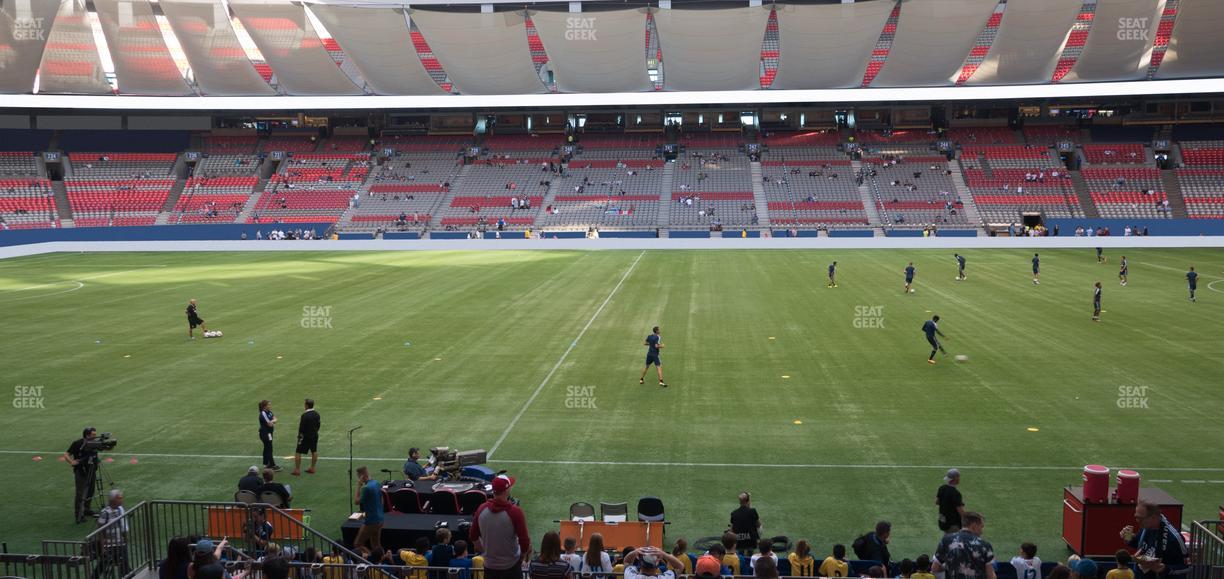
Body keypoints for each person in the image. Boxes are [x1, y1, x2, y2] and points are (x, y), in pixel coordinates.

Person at [470, 475, 531, 579]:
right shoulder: (515, 512)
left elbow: (473, 536)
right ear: (507, 490)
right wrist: (521, 558)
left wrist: (484, 552)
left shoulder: (481, 509)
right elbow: (524, 541)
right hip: (511, 567)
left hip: (490, 567)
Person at [1120, 500, 1188, 579]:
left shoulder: (1173, 538)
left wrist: (1165, 569)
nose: (1137, 521)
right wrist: (1129, 539)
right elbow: (1143, 546)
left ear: (1153, 518)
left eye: (1140, 518)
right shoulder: (1146, 526)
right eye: (1136, 517)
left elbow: (1186, 567)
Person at [932, 512, 996, 579]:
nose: (981, 531)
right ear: (974, 526)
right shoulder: (985, 545)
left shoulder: (946, 540)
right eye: (981, 527)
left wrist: (950, 565)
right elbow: (991, 576)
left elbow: (935, 568)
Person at [64, 427, 100, 523]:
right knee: (80, 494)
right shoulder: (77, 443)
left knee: (90, 491)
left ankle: (86, 509)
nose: (95, 436)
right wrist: (71, 462)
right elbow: (66, 454)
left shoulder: (94, 443)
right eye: (93, 435)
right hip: (81, 471)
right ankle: (79, 515)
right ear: (87, 435)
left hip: (91, 471)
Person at [96, 488, 131, 578]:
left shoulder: (121, 509)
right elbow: (100, 530)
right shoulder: (105, 513)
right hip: (109, 546)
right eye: (119, 498)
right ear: (113, 500)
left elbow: (123, 526)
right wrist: (102, 547)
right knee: (102, 566)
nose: (121, 499)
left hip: (120, 543)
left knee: (124, 565)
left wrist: (125, 539)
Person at [353, 466, 385, 551]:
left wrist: (359, 485)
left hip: (371, 521)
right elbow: (382, 500)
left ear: (362, 476)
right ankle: (380, 559)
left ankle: (370, 559)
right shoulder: (377, 483)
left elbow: (356, 501)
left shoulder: (366, 488)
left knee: (357, 544)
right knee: (376, 545)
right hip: (380, 519)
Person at [292, 399, 320, 476]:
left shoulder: (304, 415)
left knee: (298, 451)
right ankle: (312, 468)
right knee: (314, 451)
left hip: (305, 436)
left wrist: (300, 436)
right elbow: (318, 425)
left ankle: (297, 470)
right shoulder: (317, 414)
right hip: (314, 435)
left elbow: (302, 428)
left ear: (307, 405)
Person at [258, 400, 279, 471]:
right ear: (264, 406)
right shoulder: (263, 413)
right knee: (269, 448)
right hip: (265, 434)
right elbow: (270, 423)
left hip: (269, 433)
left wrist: (272, 421)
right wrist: (273, 421)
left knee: (267, 448)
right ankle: (272, 465)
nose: (270, 406)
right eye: (269, 405)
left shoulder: (269, 412)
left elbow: (275, 419)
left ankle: (266, 463)